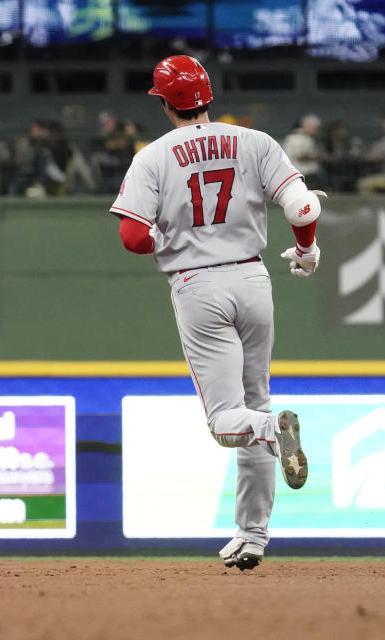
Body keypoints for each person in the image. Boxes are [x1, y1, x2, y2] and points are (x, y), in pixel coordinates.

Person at [109, 55, 321, 571]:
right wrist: (307, 249)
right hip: (253, 278)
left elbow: (133, 235)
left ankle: (275, 431)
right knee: (255, 404)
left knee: (231, 422)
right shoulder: (255, 141)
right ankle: (252, 536)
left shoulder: (153, 156)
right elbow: (303, 208)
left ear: (164, 103)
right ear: (208, 96)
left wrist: (167, 238)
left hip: (198, 283)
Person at [281, 113, 328, 191]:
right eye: (315, 128)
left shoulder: (304, 137)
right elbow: (300, 157)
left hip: (304, 171)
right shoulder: (296, 138)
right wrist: (317, 156)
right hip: (300, 171)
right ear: (308, 126)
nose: (317, 130)